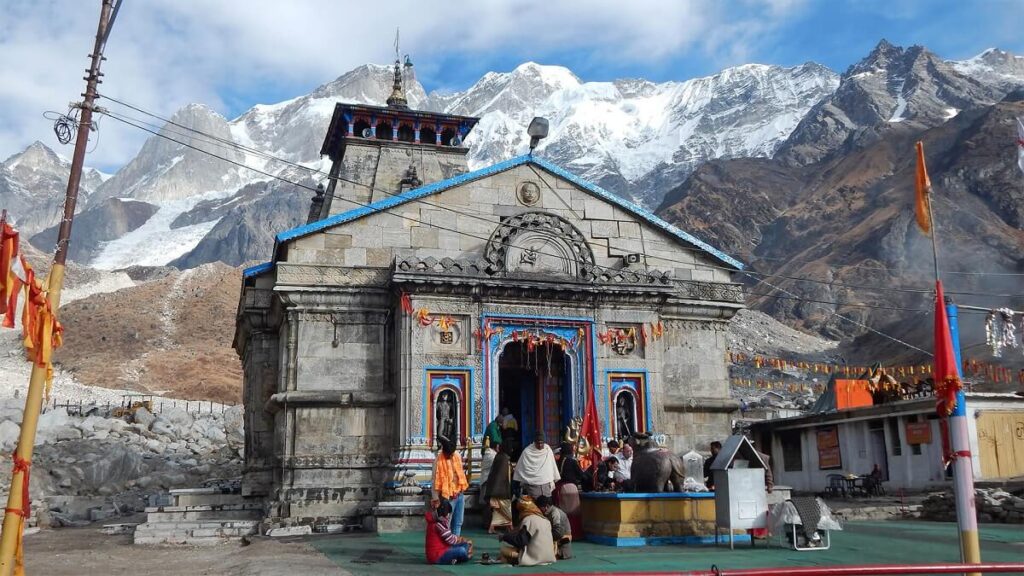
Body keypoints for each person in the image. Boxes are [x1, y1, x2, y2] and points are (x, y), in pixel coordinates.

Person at [499, 497, 556, 566]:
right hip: (549, 557)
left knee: (504, 549)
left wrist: (504, 537)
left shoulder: (528, 520)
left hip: (535, 558)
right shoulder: (546, 520)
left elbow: (521, 541)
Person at [431, 436, 469, 536]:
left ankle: (455, 544)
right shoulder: (438, 461)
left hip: (459, 494)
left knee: (458, 522)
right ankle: (447, 547)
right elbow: (434, 480)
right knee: (446, 523)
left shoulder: (457, 456)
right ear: (444, 451)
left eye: (452, 453)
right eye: (449, 454)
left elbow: (460, 474)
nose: (450, 455)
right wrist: (436, 499)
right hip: (447, 497)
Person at [425, 498, 473, 565]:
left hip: (443, 549)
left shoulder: (437, 520)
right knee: (462, 550)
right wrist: (463, 540)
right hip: (437, 556)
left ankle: (453, 559)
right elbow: (451, 540)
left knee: (465, 545)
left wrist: (465, 542)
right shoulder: (438, 524)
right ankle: (462, 557)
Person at [514, 431, 561, 498]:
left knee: (546, 506)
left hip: (546, 487)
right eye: (538, 443)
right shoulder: (527, 452)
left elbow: (551, 466)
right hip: (532, 488)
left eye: (542, 443)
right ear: (534, 442)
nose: (540, 445)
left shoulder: (548, 450)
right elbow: (521, 469)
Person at [554, 442, 585, 538]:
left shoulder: (559, 461)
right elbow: (581, 475)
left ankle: (563, 533)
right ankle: (574, 533)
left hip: (560, 488)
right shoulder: (572, 461)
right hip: (570, 488)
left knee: (563, 512)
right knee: (573, 512)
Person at [483, 443, 514, 533]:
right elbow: (502, 476)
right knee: (507, 509)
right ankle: (510, 527)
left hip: (495, 489)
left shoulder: (499, 456)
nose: (512, 450)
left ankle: (492, 528)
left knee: (498, 511)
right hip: (501, 491)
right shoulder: (504, 459)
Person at [536, 495, 572, 559]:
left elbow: (558, 532)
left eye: (539, 507)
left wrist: (543, 537)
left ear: (546, 506)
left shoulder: (555, 513)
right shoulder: (549, 512)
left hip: (561, 547)